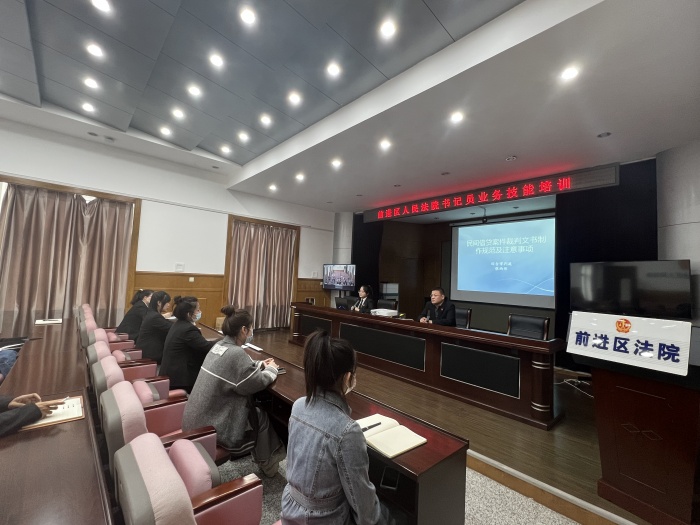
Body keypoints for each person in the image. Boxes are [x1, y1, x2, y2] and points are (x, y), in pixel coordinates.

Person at [281, 330, 394, 525]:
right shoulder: (347, 431)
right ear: (347, 377)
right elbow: (363, 505)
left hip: (290, 510)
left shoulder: (299, 405)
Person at [182, 306, 286, 477]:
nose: (251, 331)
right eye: (251, 328)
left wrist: (260, 364)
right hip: (210, 429)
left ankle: (264, 459)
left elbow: (238, 369)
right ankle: (268, 463)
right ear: (244, 330)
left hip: (194, 421)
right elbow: (256, 382)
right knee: (259, 415)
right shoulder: (236, 354)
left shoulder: (219, 346)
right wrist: (272, 369)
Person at [160, 296, 217, 392]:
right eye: (197, 310)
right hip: (179, 379)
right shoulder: (188, 329)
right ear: (188, 314)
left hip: (170, 373)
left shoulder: (178, 324)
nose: (200, 312)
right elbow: (207, 347)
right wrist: (224, 339)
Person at [136, 291, 173, 365]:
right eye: (167, 302)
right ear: (159, 303)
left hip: (149, 350)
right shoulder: (155, 316)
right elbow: (172, 328)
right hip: (151, 354)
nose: (168, 305)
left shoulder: (151, 313)